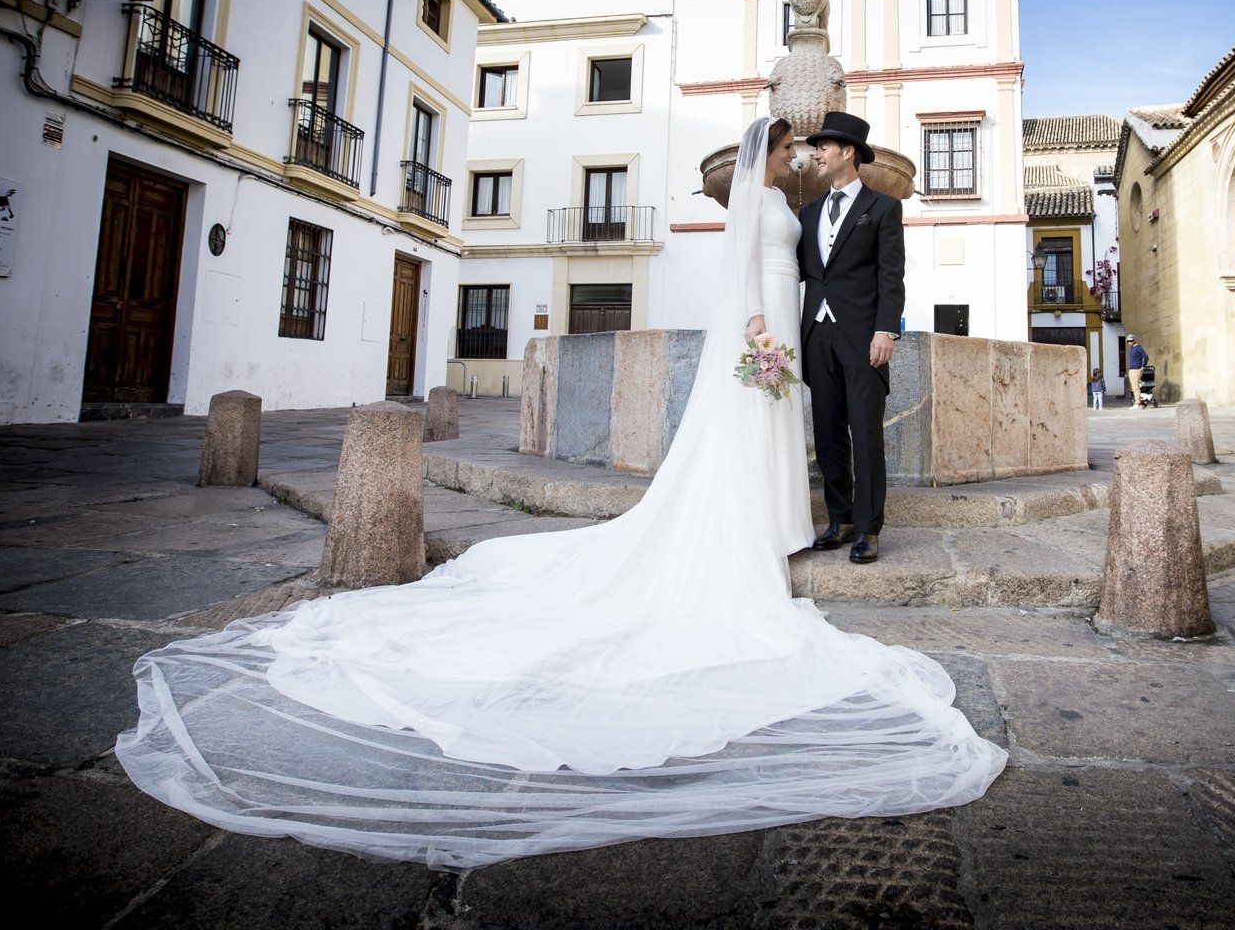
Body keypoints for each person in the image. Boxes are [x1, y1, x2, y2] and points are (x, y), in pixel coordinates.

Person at [113, 117, 1005, 870]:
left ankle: (837, 523)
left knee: (810, 431)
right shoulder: (770, 203)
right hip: (773, 331)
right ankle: (798, 521)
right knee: (776, 433)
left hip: (833, 329)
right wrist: (762, 328)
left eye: (817, 151)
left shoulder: (827, 204)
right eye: (795, 150)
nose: (805, 158)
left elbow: (870, 272)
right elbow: (749, 273)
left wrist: (876, 322)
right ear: (776, 154)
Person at [798, 111, 904, 566]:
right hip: (817, 333)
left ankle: (867, 528)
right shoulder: (808, 211)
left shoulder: (882, 208)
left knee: (865, 435)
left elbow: (891, 275)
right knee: (827, 435)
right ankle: (839, 520)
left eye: (823, 146)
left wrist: (886, 329)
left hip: (864, 337)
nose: (815, 153)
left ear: (847, 152)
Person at [1126, 336, 1148, 410]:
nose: (1129, 342)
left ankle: (1137, 403)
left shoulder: (1138, 347)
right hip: (1132, 370)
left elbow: (1145, 357)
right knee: (1134, 388)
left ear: (1134, 340)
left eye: (1131, 341)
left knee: (1135, 387)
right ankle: (1141, 403)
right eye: (1128, 341)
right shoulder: (1132, 348)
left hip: (1136, 370)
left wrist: (1143, 366)